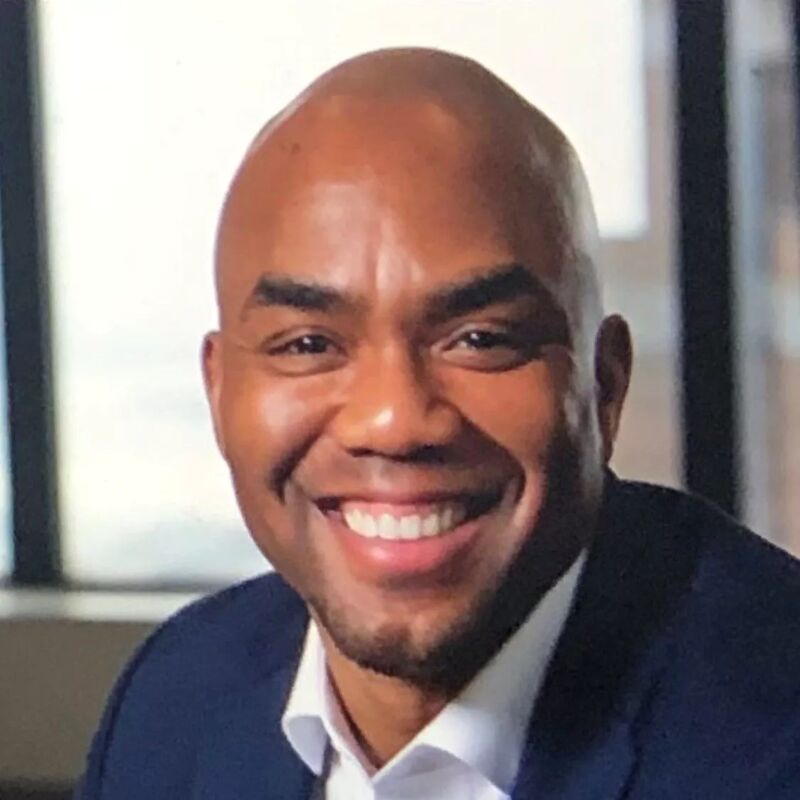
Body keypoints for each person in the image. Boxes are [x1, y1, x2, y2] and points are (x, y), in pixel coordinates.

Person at [76, 48, 800, 800]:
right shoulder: (175, 704)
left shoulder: (769, 727)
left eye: (480, 339)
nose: (394, 421)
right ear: (219, 392)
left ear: (604, 383)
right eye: (309, 345)